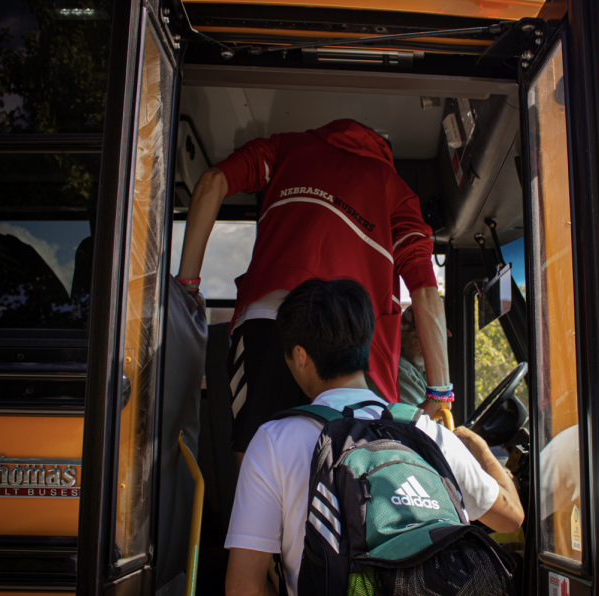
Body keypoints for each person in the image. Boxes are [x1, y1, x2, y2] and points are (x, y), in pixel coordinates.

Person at [224, 279, 524, 596]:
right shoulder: (428, 431)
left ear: (299, 355)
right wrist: (477, 446)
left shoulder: (274, 440)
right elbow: (511, 518)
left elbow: (244, 587)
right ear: (366, 346)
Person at [175, 119, 451, 460]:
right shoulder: (393, 189)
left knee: (257, 455)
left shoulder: (285, 147)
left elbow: (212, 181)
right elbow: (424, 290)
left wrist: (186, 289)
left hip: (269, 318)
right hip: (348, 339)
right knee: (346, 469)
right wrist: (440, 392)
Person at [397, 305, 428, 406]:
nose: (428, 343)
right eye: (418, 336)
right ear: (401, 338)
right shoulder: (402, 369)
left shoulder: (423, 372)